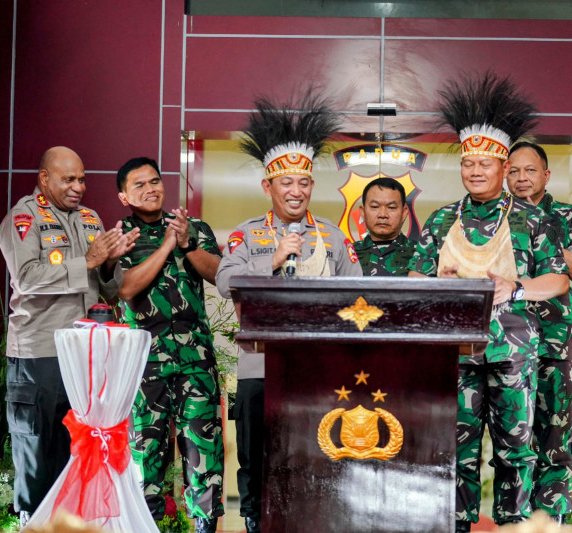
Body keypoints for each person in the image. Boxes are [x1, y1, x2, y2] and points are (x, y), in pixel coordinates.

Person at [408, 72, 569, 530]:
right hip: (456, 354)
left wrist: (514, 288)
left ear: (503, 166)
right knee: (455, 452)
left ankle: (514, 526)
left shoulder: (533, 219)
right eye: (468, 163)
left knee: (515, 451)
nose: (475, 171)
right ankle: (455, 525)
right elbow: (415, 277)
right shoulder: (442, 219)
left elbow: (559, 280)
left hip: (513, 354)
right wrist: (437, 282)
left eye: (484, 163)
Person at [214, 92, 362, 533]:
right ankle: (254, 524)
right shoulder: (247, 235)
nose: (296, 191)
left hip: (318, 368)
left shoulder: (333, 237)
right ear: (268, 187)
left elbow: (358, 297)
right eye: (286, 183)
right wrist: (274, 260)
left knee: (316, 458)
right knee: (256, 459)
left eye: (303, 183)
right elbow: (225, 282)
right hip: (259, 367)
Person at [0, 146, 139, 526]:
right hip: (39, 354)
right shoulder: (23, 218)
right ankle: (32, 524)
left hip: (84, 357)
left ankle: (73, 527)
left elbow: (108, 289)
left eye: (82, 179)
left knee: (78, 454)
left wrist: (109, 262)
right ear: (44, 179)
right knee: (37, 453)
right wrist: (88, 260)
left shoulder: (90, 219)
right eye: (69, 179)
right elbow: (26, 277)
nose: (79, 187)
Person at [115, 157, 224, 533]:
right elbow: (126, 288)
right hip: (145, 366)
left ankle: (204, 527)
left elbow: (218, 275)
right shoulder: (121, 236)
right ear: (124, 196)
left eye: (155, 181)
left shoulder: (194, 228)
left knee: (204, 456)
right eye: (140, 185)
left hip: (196, 360)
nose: (151, 189)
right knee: (146, 459)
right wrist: (166, 246)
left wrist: (187, 243)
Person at [506, 141, 572, 523]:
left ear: (546, 174)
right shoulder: (497, 217)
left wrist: (544, 229)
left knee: (555, 443)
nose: (521, 178)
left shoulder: (568, 217)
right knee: (514, 443)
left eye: (530, 170)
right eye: (513, 171)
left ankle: (551, 524)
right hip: (509, 347)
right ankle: (517, 523)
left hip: (557, 345)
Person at [353, 177, 416, 276]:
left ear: (404, 213)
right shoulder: (349, 254)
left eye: (391, 207)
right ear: (363, 212)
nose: (382, 215)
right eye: (375, 207)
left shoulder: (420, 254)